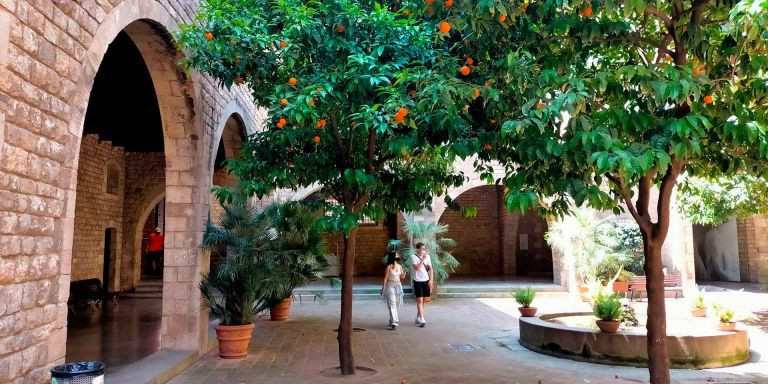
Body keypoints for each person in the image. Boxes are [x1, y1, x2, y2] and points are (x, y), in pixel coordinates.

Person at [380, 251, 406, 330]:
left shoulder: (399, 266)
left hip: (398, 286)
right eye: (397, 255)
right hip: (390, 286)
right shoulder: (389, 267)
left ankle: (391, 319)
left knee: (397, 305)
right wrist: (383, 287)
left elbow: (403, 277)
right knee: (392, 304)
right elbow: (385, 278)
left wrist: (404, 272)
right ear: (393, 257)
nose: (398, 256)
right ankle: (395, 321)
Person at [411, 242, 433, 327]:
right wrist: (423, 260)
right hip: (417, 281)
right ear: (417, 249)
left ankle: (418, 316)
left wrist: (431, 280)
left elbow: (431, 269)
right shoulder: (413, 257)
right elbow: (417, 268)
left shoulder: (428, 257)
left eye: (424, 249)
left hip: (426, 280)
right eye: (421, 249)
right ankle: (422, 319)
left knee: (423, 301)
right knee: (419, 300)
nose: (423, 251)